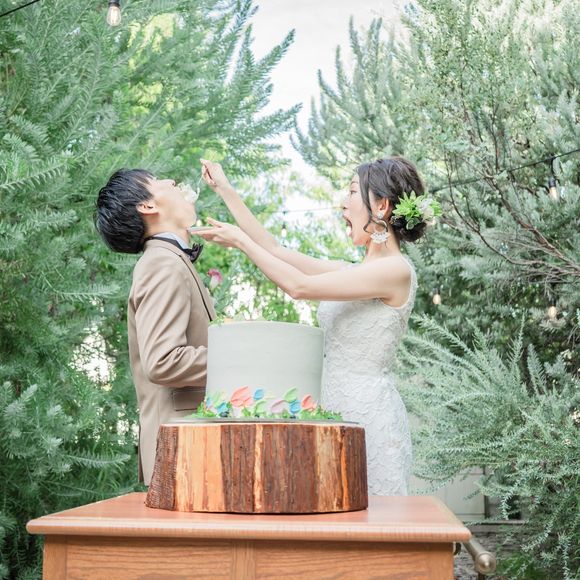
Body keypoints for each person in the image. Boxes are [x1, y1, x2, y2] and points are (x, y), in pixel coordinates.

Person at [198, 156, 436, 495]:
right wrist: (225, 189)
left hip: (367, 414)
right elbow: (274, 249)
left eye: (351, 192)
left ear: (381, 206)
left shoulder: (395, 270)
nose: (343, 203)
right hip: (331, 407)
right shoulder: (352, 271)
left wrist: (240, 242)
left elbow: (299, 287)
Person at [95, 169, 215, 485]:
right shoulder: (162, 263)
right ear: (147, 206)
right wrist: (242, 355)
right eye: (158, 180)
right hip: (183, 454)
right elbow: (163, 360)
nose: (172, 182)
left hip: (188, 448)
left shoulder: (169, 259)